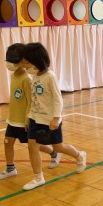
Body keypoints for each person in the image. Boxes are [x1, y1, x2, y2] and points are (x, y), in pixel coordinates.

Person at [21, 42, 87, 190]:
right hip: (35, 117)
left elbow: (58, 99)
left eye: (26, 61)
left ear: (36, 60)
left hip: (50, 119)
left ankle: (79, 155)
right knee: (32, 146)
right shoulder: (34, 76)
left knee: (59, 146)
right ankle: (38, 177)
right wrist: (28, 117)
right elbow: (34, 99)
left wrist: (56, 118)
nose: (24, 64)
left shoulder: (50, 76)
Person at [0, 44, 61, 181]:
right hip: (13, 119)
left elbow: (31, 101)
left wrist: (27, 120)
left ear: (23, 62)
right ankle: (10, 168)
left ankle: (53, 152)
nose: (9, 64)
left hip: (24, 120)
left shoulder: (28, 79)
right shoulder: (14, 76)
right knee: (8, 142)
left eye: (13, 61)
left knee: (35, 145)